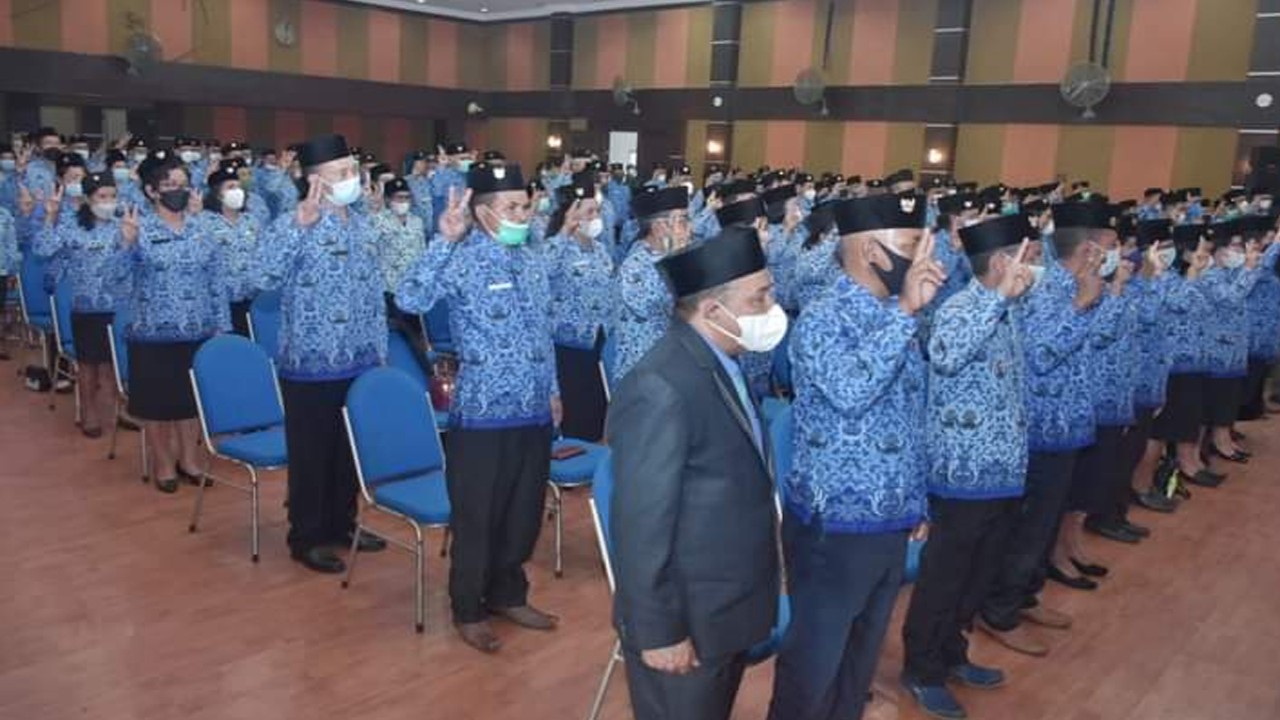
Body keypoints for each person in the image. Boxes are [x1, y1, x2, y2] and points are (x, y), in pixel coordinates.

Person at [769, 193, 941, 720]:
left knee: (859, 663)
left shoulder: (897, 317)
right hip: (835, 527)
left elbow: (913, 415)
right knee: (813, 667)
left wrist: (918, 502)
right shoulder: (824, 317)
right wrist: (907, 313)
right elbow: (850, 388)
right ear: (870, 249)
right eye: (912, 246)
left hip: (889, 520)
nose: (924, 260)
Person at [608, 227, 782, 720]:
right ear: (712, 311)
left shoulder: (722, 362)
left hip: (723, 613)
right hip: (686, 621)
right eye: (760, 297)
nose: (772, 307)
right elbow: (641, 525)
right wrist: (660, 631)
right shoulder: (660, 385)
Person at [397, 161, 561, 654]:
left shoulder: (531, 260)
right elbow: (410, 297)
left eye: (526, 205)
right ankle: (468, 607)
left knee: (522, 513)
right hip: (484, 410)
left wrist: (553, 390)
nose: (522, 214)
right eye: (511, 207)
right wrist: (443, 240)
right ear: (485, 213)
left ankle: (509, 594)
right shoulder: (462, 257)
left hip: (532, 408)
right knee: (478, 515)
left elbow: (543, 334)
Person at [901, 213, 1036, 720]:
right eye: (1028, 256)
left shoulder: (1010, 312)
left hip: (1003, 471)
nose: (1034, 266)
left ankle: (953, 653)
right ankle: (922, 668)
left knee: (978, 575)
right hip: (962, 474)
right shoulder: (962, 307)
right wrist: (998, 296)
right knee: (945, 577)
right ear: (1002, 261)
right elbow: (946, 353)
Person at [978, 201, 1107, 657]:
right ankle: (1000, 609)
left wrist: (1089, 299)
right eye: (1108, 247)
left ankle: (1026, 594)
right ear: (1089, 249)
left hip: (1070, 423)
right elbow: (1040, 356)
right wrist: (1080, 307)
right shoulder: (1043, 289)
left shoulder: (1075, 285)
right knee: (1028, 526)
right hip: (1041, 427)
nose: (1116, 255)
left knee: (1047, 522)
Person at [256, 134, 388, 574]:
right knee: (312, 452)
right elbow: (262, 274)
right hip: (311, 362)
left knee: (348, 450)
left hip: (361, 356)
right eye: (342, 173)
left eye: (354, 171)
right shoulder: (294, 221)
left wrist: (380, 350)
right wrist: (298, 223)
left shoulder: (364, 222)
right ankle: (307, 535)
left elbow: (374, 292)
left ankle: (343, 523)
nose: (353, 179)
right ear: (314, 180)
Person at [110, 149, 229, 494]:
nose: (179, 190)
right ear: (151, 191)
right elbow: (116, 283)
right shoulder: (138, 228)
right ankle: (163, 463)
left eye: (183, 183)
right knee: (158, 404)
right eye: (170, 184)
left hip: (197, 330)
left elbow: (216, 281)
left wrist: (222, 327)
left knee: (190, 402)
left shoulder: (201, 228)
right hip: (152, 334)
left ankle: (190, 461)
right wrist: (126, 245)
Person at [33, 171, 122, 437]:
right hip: (87, 309)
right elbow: (42, 250)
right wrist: (50, 215)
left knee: (112, 367)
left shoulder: (122, 225)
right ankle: (89, 413)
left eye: (113, 196)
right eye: (102, 197)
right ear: (88, 198)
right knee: (89, 366)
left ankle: (118, 412)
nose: (109, 202)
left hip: (118, 308)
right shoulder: (72, 226)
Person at [545, 172, 613, 441]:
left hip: (598, 338)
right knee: (575, 413)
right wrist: (564, 232)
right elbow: (542, 270)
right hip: (567, 343)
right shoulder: (557, 246)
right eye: (589, 212)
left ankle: (592, 460)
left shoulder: (600, 250)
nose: (596, 217)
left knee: (597, 409)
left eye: (597, 211)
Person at [610, 186, 691, 385]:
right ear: (659, 227)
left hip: (671, 368)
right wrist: (678, 261)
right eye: (682, 221)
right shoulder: (636, 266)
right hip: (642, 375)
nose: (689, 229)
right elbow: (672, 307)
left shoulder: (669, 258)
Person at [199, 165, 262, 338]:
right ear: (217, 194)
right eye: (230, 187)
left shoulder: (252, 221)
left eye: (239, 187)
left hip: (252, 300)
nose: (237, 191)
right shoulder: (204, 222)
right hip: (219, 304)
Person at [371, 176, 427, 338]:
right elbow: (369, 251)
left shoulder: (417, 221)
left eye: (407, 197)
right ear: (388, 200)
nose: (404, 202)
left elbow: (422, 250)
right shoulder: (378, 221)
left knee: (417, 333)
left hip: (414, 286)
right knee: (397, 334)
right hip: (390, 287)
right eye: (399, 198)